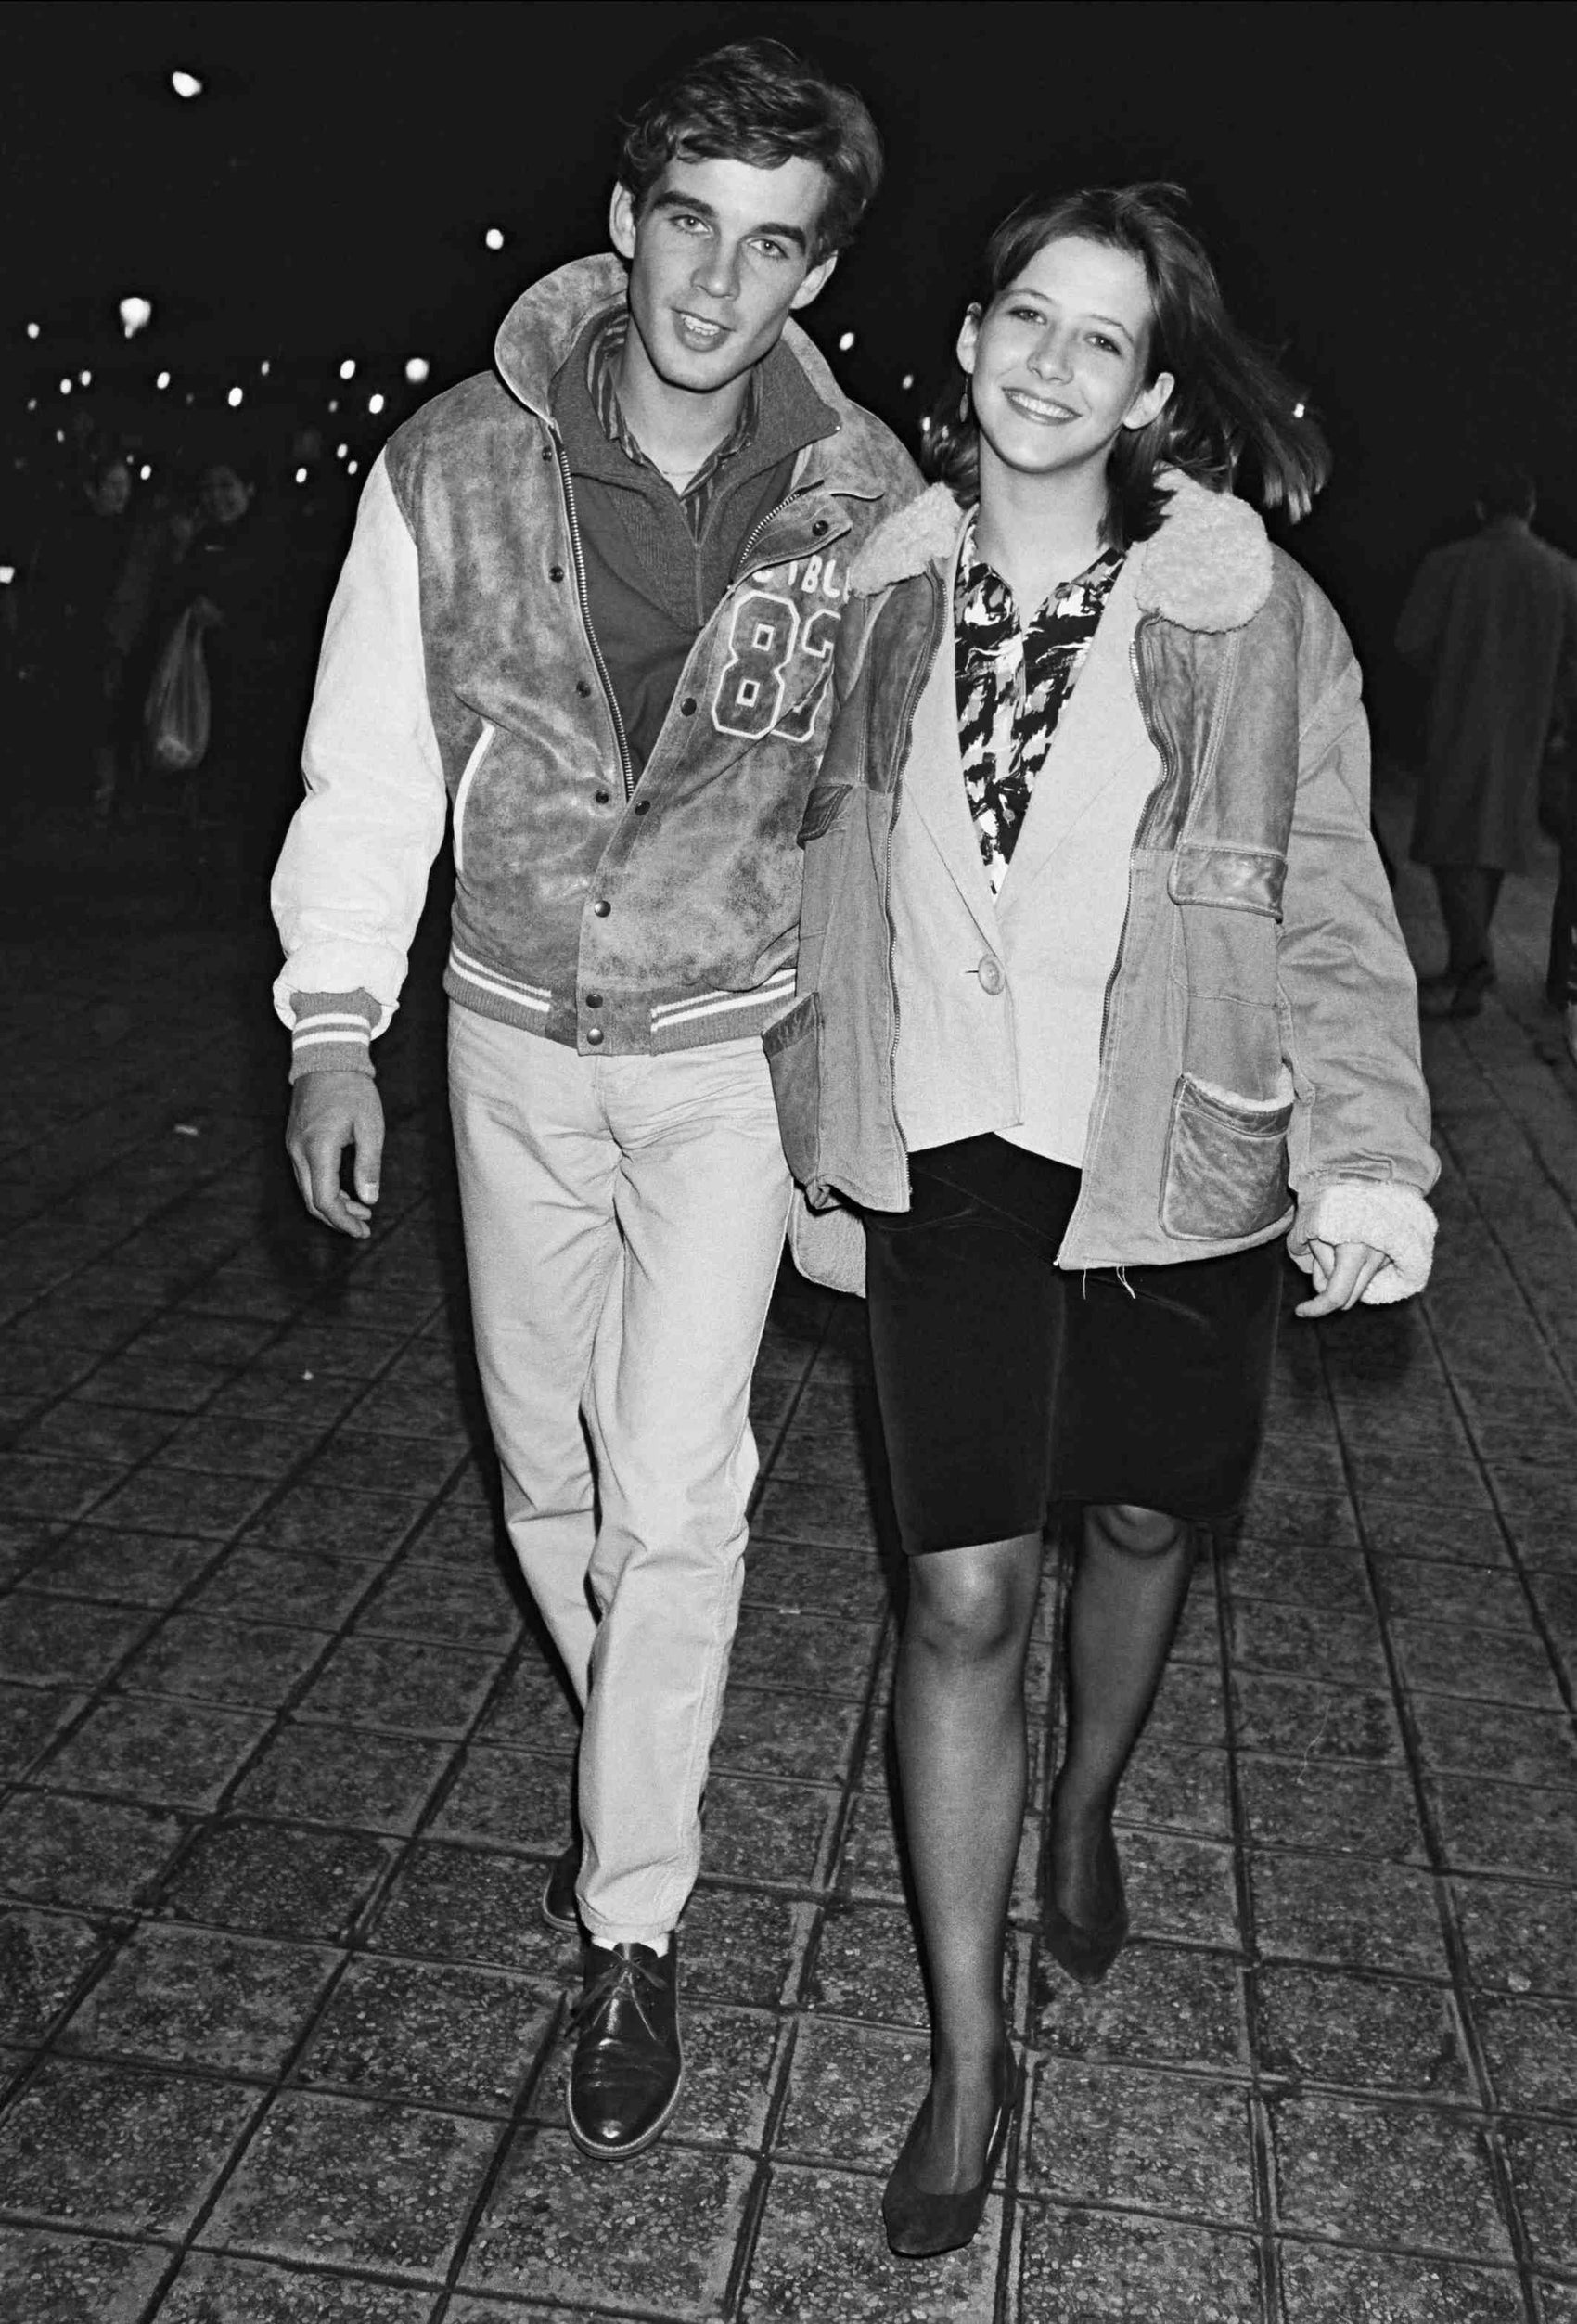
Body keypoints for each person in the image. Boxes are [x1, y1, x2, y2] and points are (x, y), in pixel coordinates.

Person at [765, 183, 1439, 2259]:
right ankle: (967, 2056)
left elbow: (1326, 893)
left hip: (1172, 1149)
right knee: (960, 1598)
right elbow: (781, 858)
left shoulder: (1255, 620)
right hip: (949, 1157)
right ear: (965, 344)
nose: (1048, 364)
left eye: (1100, 339)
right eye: (1021, 321)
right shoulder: (874, 597)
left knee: (1140, 1523)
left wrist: (1370, 1152)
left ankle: (1082, 1798)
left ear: (1150, 390)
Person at [271, 38, 917, 2164]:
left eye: (768, 245)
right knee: (542, 1478)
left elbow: (892, 807)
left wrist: (889, 1097)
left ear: (810, 261)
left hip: (728, 1050)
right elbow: (369, 758)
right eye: (685, 225)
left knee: (674, 1490)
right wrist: (328, 1020)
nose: (714, 287)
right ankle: (638, 1741)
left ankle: (629, 1912)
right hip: (505, 1033)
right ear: (626, 217)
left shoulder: (859, 494)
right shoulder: (450, 463)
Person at [1398, 466, 1577, 1019]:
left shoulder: (1450, 565)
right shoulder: (1562, 574)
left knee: (1453, 845)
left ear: (1481, 508)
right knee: (1495, 841)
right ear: (1528, 508)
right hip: (1529, 727)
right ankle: (1469, 962)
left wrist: (1452, 672)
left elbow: (1411, 642)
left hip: (1460, 717)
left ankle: (1472, 963)